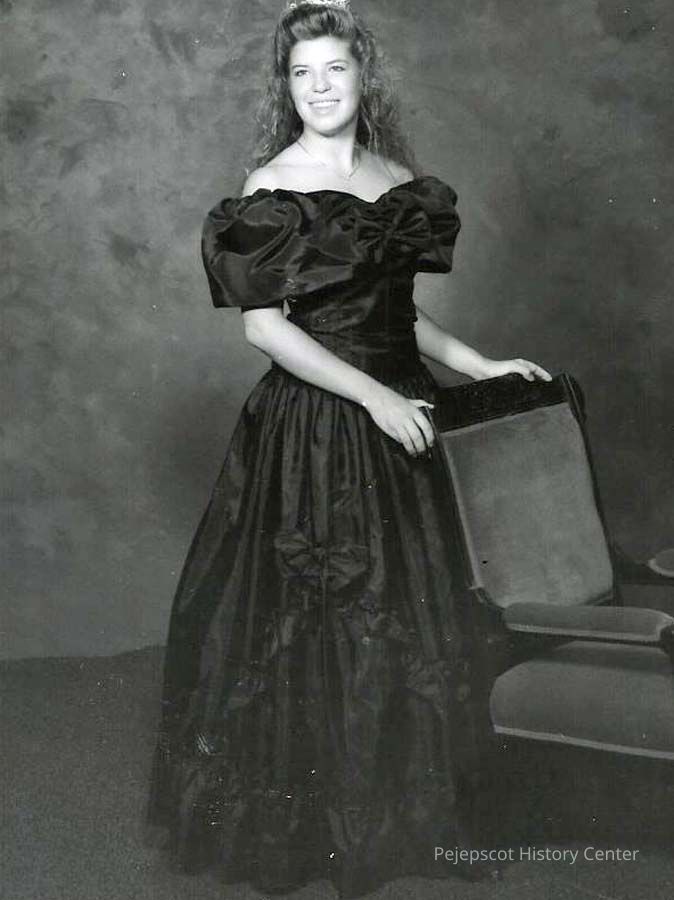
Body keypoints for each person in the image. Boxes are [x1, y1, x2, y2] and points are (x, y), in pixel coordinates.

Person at [144, 1, 552, 896]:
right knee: (318, 613)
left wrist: (477, 363)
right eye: (302, 74)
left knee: (411, 612)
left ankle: (407, 812)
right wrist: (372, 396)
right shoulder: (270, 183)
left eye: (335, 68)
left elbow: (398, 314)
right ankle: (321, 823)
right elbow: (265, 329)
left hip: (404, 414)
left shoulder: (395, 178)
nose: (319, 88)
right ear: (285, 88)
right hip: (318, 426)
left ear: (365, 75)